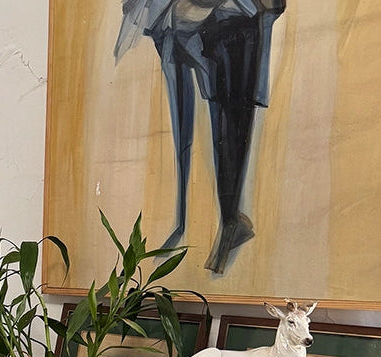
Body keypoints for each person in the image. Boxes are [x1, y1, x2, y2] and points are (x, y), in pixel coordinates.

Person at [115, 0, 286, 274]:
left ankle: (230, 219)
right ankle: (204, 220)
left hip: (237, 18)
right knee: (223, 101)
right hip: (197, 18)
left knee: (231, 108)